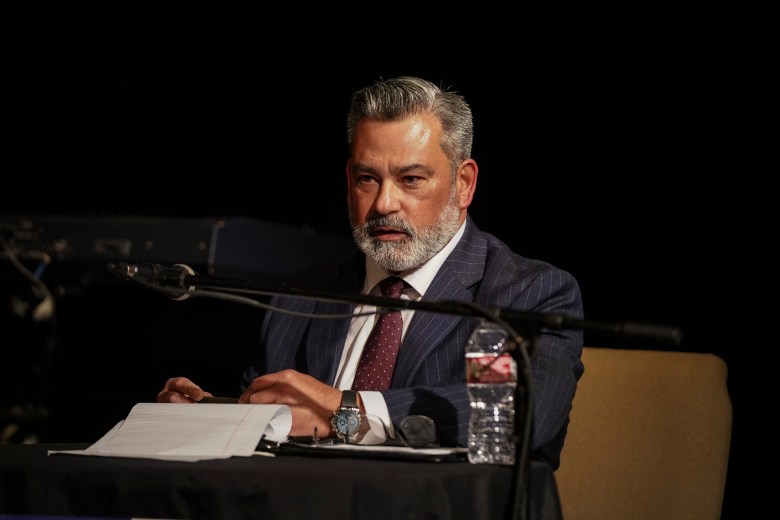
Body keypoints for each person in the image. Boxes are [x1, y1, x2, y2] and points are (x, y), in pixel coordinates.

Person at [157, 75, 584, 469]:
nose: (383, 204)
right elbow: (272, 431)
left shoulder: (525, 293)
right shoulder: (301, 295)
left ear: (463, 183)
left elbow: (517, 413)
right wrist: (212, 419)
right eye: (367, 178)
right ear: (348, 180)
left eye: (411, 179)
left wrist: (348, 411)